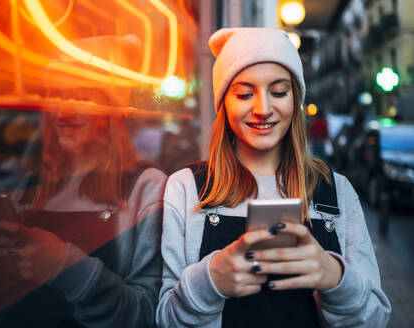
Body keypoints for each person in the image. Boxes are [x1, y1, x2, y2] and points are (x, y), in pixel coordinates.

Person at [156, 28, 391, 328]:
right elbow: (166, 319)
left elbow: (376, 319)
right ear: (223, 102)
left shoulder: (336, 190)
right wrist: (210, 281)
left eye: (279, 92)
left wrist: (334, 277)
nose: (263, 109)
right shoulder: (186, 188)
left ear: (295, 100)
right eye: (244, 94)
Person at [0, 35, 166, 327]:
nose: (63, 111)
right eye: (55, 95)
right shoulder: (30, 188)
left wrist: (66, 267)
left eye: (82, 96)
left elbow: (150, 314)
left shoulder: (145, 187)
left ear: (112, 109)